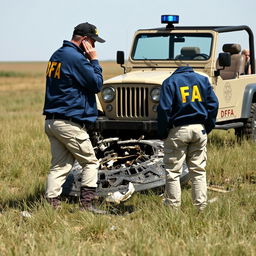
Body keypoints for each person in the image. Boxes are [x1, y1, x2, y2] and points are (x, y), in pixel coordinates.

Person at [43, 22, 106, 214]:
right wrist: (94, 60)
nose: (94, 47)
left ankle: (51, 206)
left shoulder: (58, 54)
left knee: (60, 166)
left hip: (52, 121)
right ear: (85, 40)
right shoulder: (75, 58)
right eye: (93, 42)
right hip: (69, 122)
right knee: (90, 162)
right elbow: (96, 84)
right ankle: (87, 205)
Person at [157, 66, 219, 211]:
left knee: (173, 171)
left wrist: (162, 132)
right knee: (198, 170)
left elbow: (163, 109)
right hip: (199, 129)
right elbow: (213, 105)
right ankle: (201, 207)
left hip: (178, 130)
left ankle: (173, 208)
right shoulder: (203, 80)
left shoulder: (170, 82)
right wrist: (207, 127)